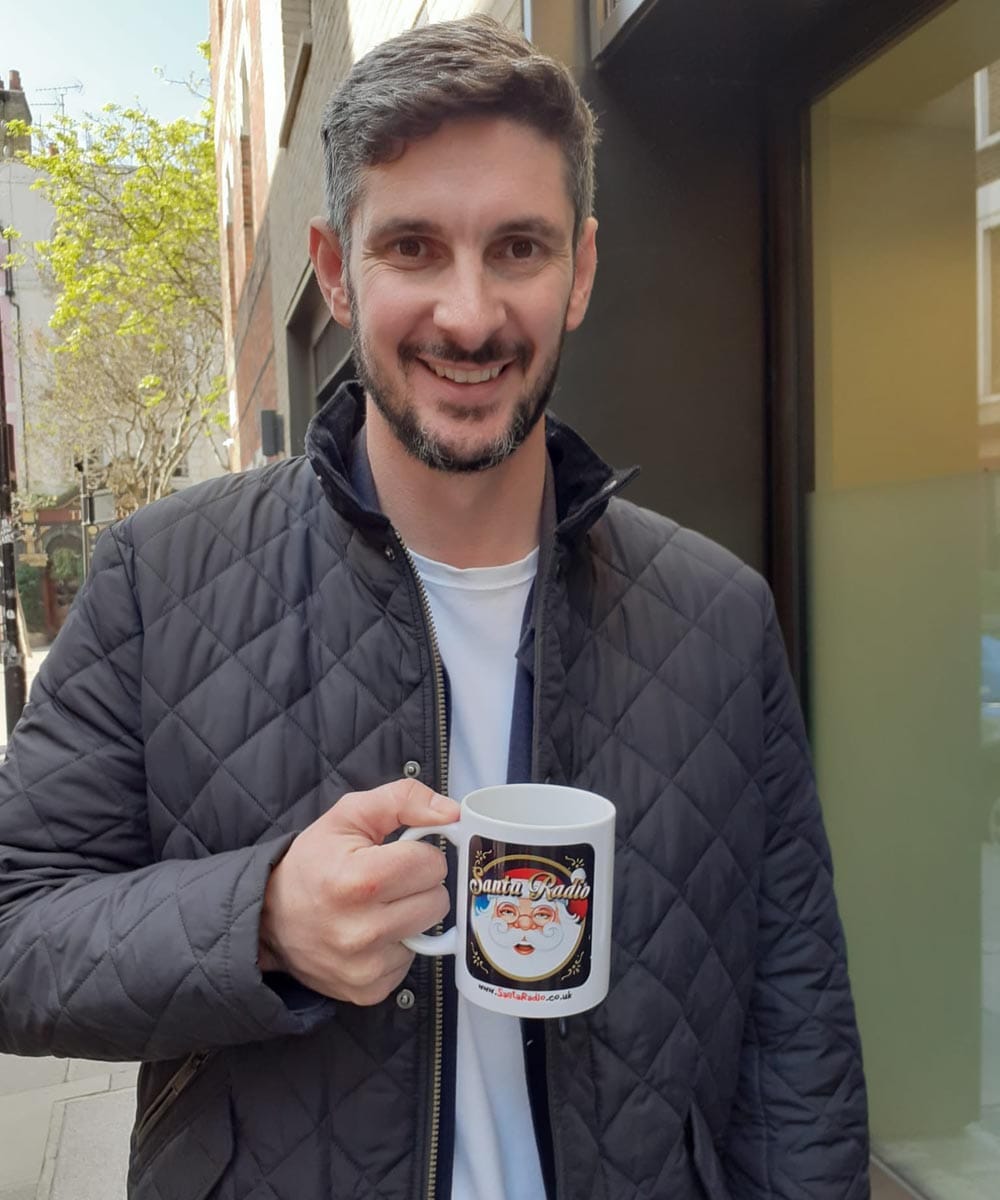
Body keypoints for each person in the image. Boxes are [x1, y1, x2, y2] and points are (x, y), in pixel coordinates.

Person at [0, 15, 869, 1200]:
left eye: (518, 248)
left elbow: (796, 1034)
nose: (469, 316)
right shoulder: (159, 579)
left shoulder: (719, 614)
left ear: (584, 270)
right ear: (331, 267)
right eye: (412, 247)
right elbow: (17, 930)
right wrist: (258, 920)